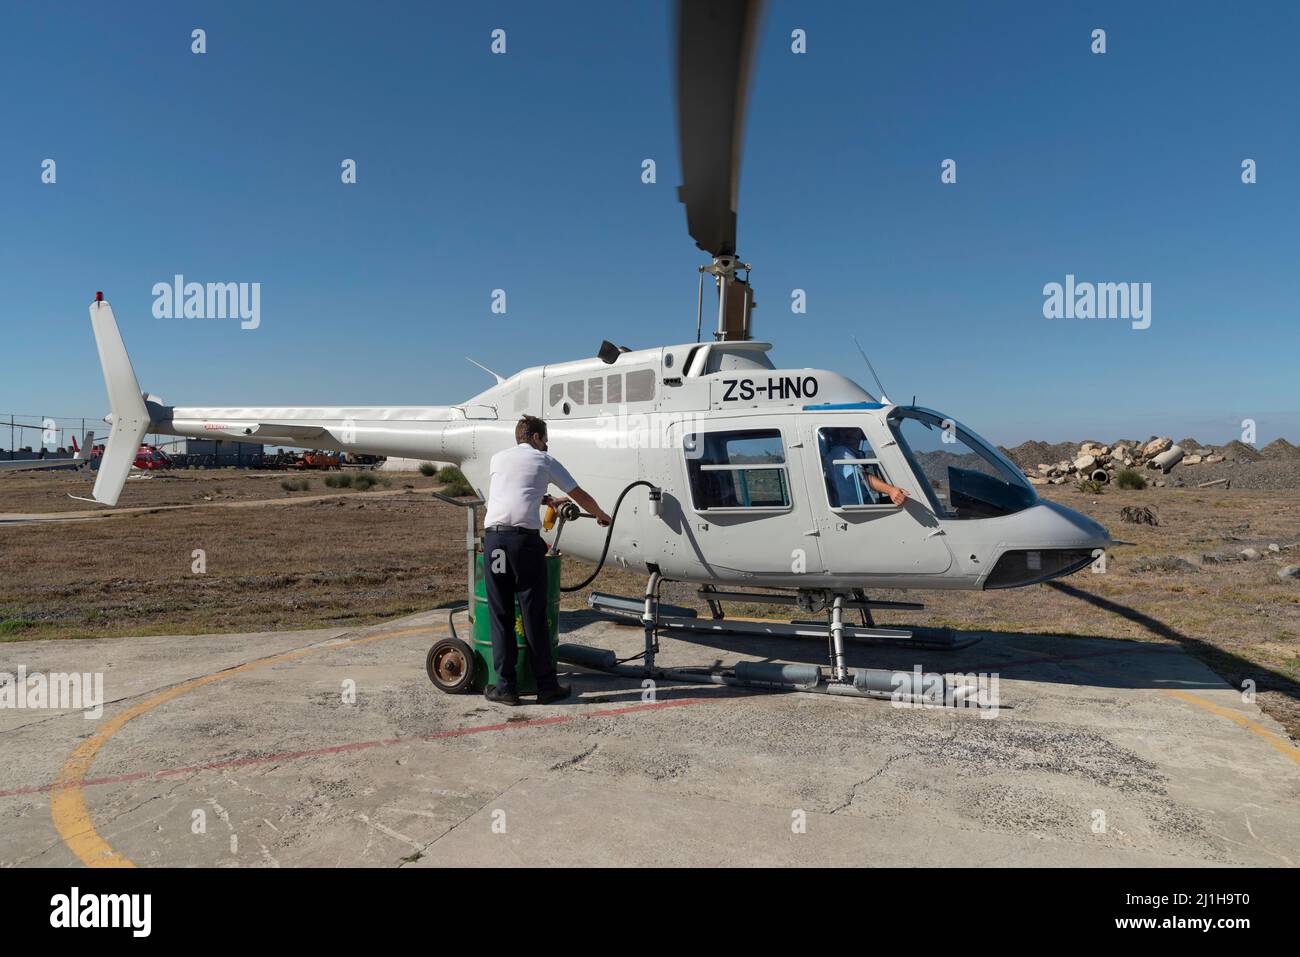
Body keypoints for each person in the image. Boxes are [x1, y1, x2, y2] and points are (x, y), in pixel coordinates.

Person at [482, 415, 611, 706]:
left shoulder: (498, 459)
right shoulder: (544, 460)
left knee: (500, 615)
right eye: (545, 438)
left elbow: (515, 490)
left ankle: (505, 687)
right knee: (533, 615)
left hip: (494, 541)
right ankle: (546, 686)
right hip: (523, 544)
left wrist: (544, 500)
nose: (547, 443)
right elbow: (577, 493)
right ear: (537, 437)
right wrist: (601, 514)